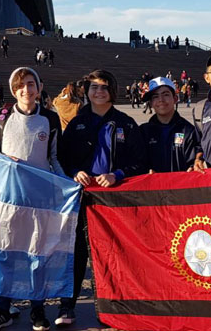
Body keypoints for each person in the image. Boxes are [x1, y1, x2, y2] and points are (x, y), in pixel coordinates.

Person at [57, 69, 147, 327]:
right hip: (83, 196)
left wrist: (117, 174)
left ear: (112, 92)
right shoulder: (76, 122)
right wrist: (75, 172)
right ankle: (68, 305)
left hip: (113, 200)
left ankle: (113, 308)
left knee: (112, 253)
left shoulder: (126, 122)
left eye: (104, 87)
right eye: (94, 87)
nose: (98, 91)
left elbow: (139, 161)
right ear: (87, 91)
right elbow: (62, 157)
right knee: (76, 251)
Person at [0, 67, 64, 331]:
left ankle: (37, 310)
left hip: (39, 198)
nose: (26, 90)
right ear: (13, 90)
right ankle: (2, 309)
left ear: (38, 88)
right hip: (8, 198)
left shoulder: (50, 118)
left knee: (37, 255)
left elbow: (54, 158)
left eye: (31, 84)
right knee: (7, 254)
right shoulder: (0, 116)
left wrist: (67, 185)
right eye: (20, 86)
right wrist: (4, 160)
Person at [140, 77, 201, 173]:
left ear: (175, 99)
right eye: (155, 96)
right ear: (151, 103)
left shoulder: (189, 131)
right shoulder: (142, 132)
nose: (161, 100)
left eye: (166, 95)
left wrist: (193, 167)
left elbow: (194, 162)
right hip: (152, 186)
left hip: (180, 186)